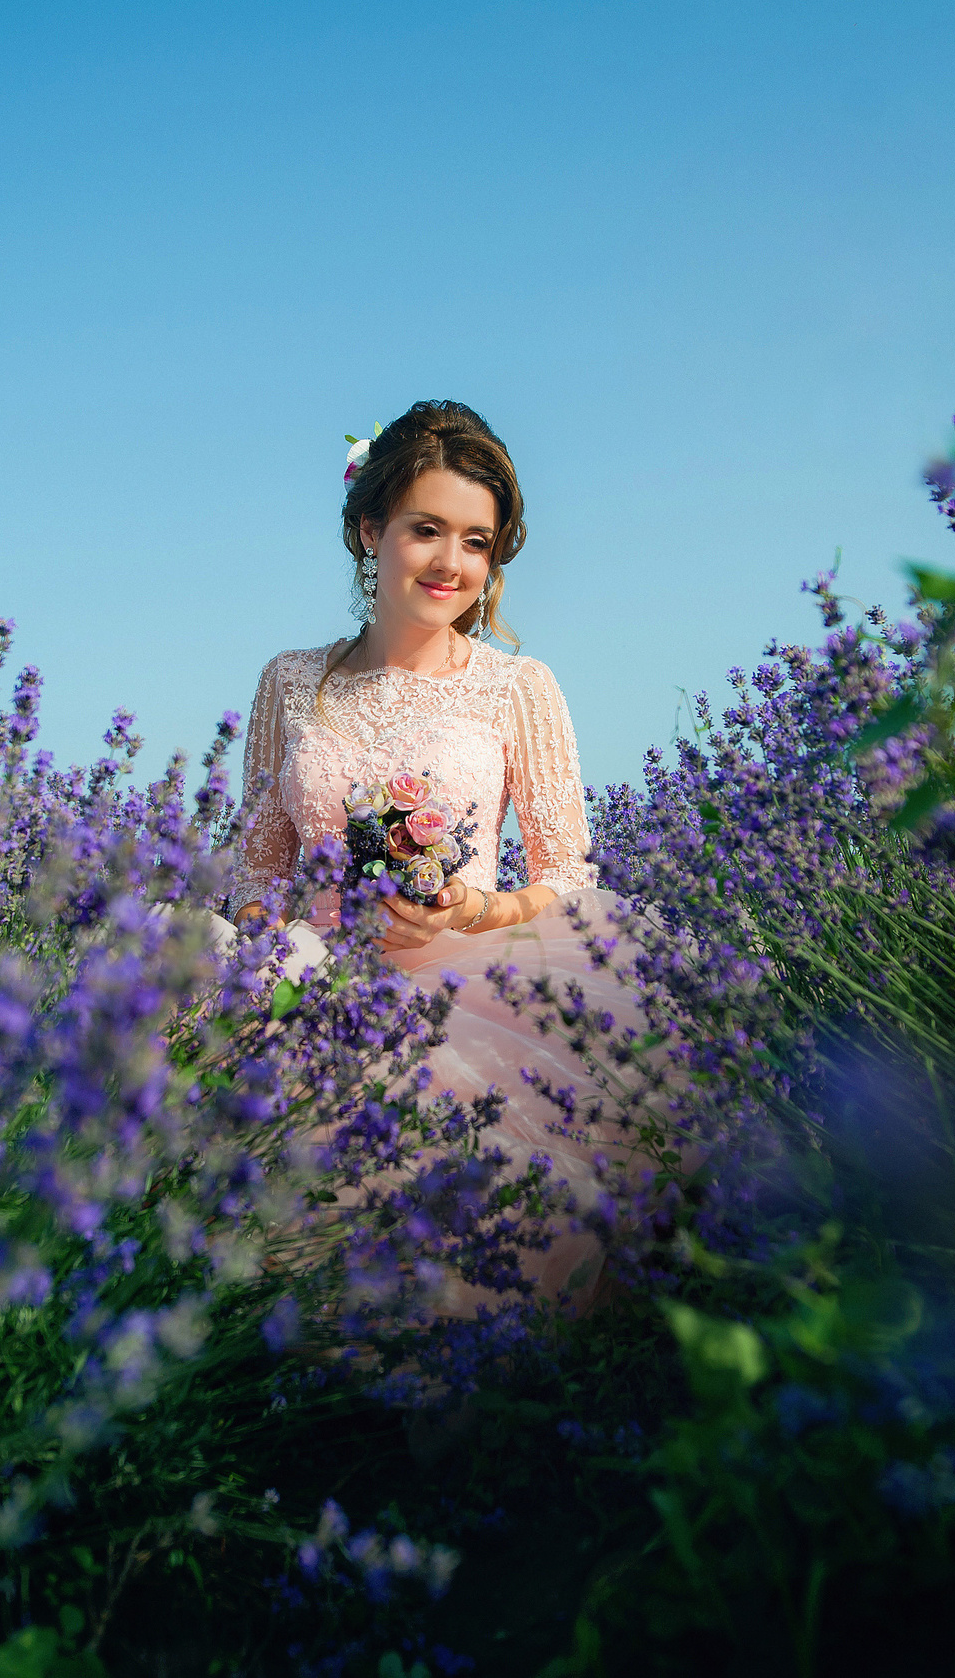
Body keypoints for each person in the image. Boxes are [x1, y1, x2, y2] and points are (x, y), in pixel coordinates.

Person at [228, 400, 660, 1312]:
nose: (452, 563)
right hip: (308, 978)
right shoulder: (290, 679)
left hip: (467, 987)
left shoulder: (520, 687)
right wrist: (286, 968)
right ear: (368, 528)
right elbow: (258, 869)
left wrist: (471, 907)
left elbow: (567, 875)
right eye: (427, 530)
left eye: (477, 540)